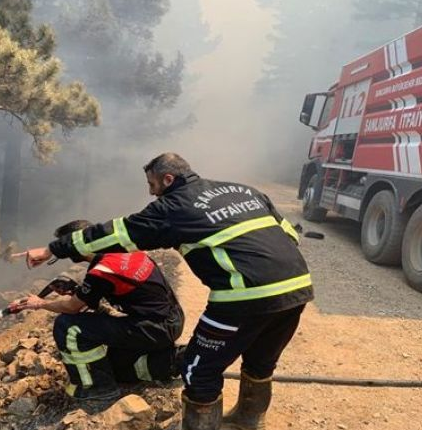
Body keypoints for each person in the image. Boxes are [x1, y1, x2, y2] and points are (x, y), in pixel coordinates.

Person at [16, 153, 313, 430]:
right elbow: (288, 233)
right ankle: (249, 420)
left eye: (152, 185)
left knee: (198, 372)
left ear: (168, 180)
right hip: (297, 287)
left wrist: (52, 249)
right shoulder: (243, 190)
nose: (151, 193)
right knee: (261, 360)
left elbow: (116, 233)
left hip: (243, 298)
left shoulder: (174, 206)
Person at [9, 220, 185, 401]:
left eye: (67, 249)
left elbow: (72, 308)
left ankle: (97, 388)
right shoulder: (126, 250)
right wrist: (77, 291)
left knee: (67, 326)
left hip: (155, 329)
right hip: (170, 320)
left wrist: (39, 303)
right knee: (115, 369)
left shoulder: (101, 271)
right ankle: (179, 359)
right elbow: (108, 293)